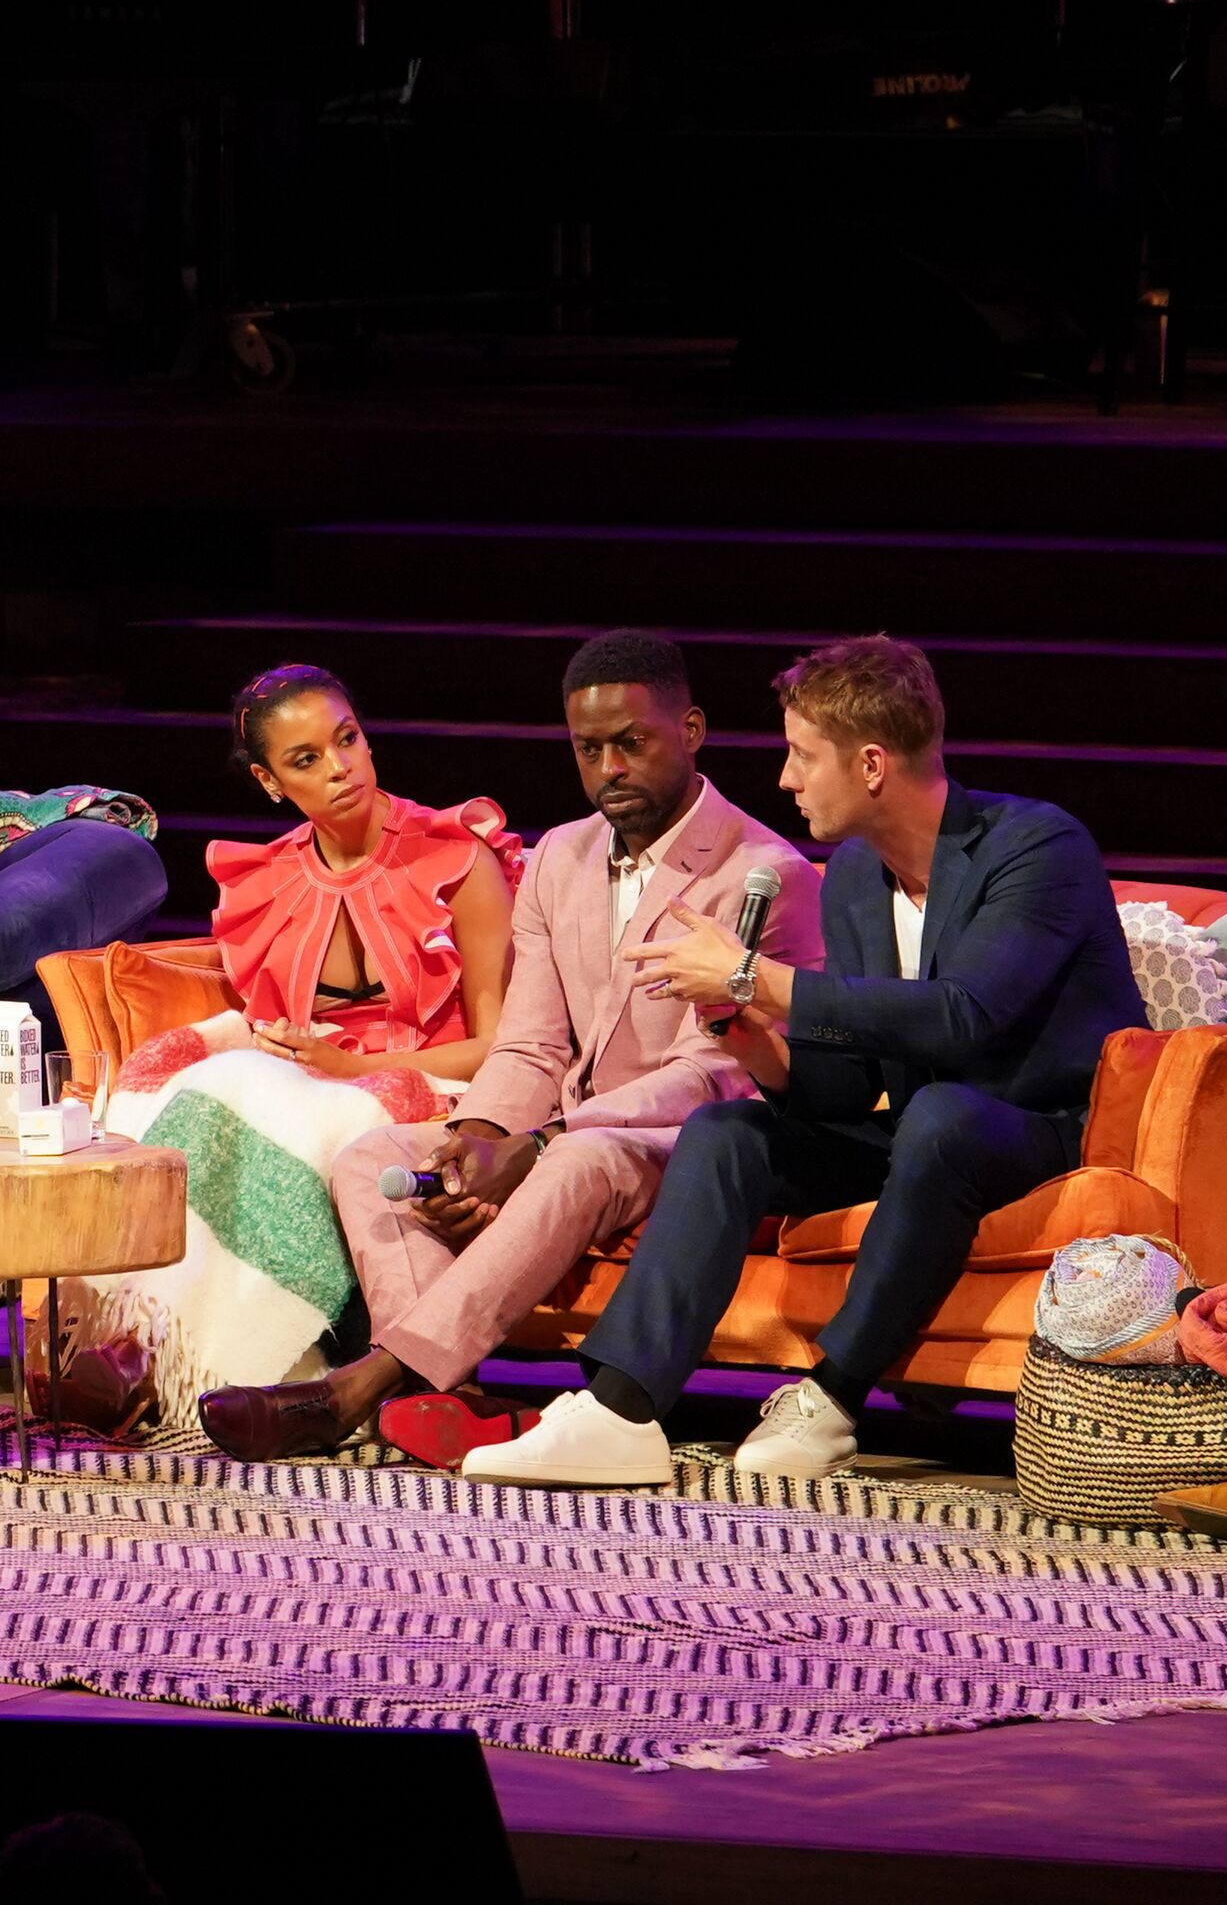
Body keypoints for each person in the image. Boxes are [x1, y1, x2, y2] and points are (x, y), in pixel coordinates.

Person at [469, 634, 1139, 1488]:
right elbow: (853, 1083)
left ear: (867, 764)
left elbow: (963, 1018)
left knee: (940, 1116)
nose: (783, 779)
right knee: (726, 1134)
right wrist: (748, 1030)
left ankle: (828, 1397)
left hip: (1041, 1133)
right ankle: (619, 1408)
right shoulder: (855, 874)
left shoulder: (1035, 847)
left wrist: (760, 976)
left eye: (799, 755)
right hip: (921, 1143)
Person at [201, 630, 815, 1462]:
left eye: (631, 743)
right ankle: (438, 1401)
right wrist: (480, 1136)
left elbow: (708, 1076)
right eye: (588, 749)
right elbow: (528, 1042)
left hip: (683, 1143)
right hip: (557, 1128)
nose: (609, 768)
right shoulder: (562, 854)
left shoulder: (763, 872)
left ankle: (361, 1388)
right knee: (371, 1158)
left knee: (576, 1160)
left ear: (692, 731)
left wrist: (537, 1143)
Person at [72, 666, 519, 1426]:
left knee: (271, 1095)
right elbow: (273, 1026)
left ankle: (189, 1361)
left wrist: (363, 1068)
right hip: (314, 1084)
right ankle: (144, 1346)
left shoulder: (456, 859)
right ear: (268, 780)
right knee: (220, 1084)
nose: (339, 767)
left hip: (436, 1089)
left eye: (345, 740)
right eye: (305, 759)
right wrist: (297, 1056)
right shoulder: (269, 881)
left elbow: (505, 1048)